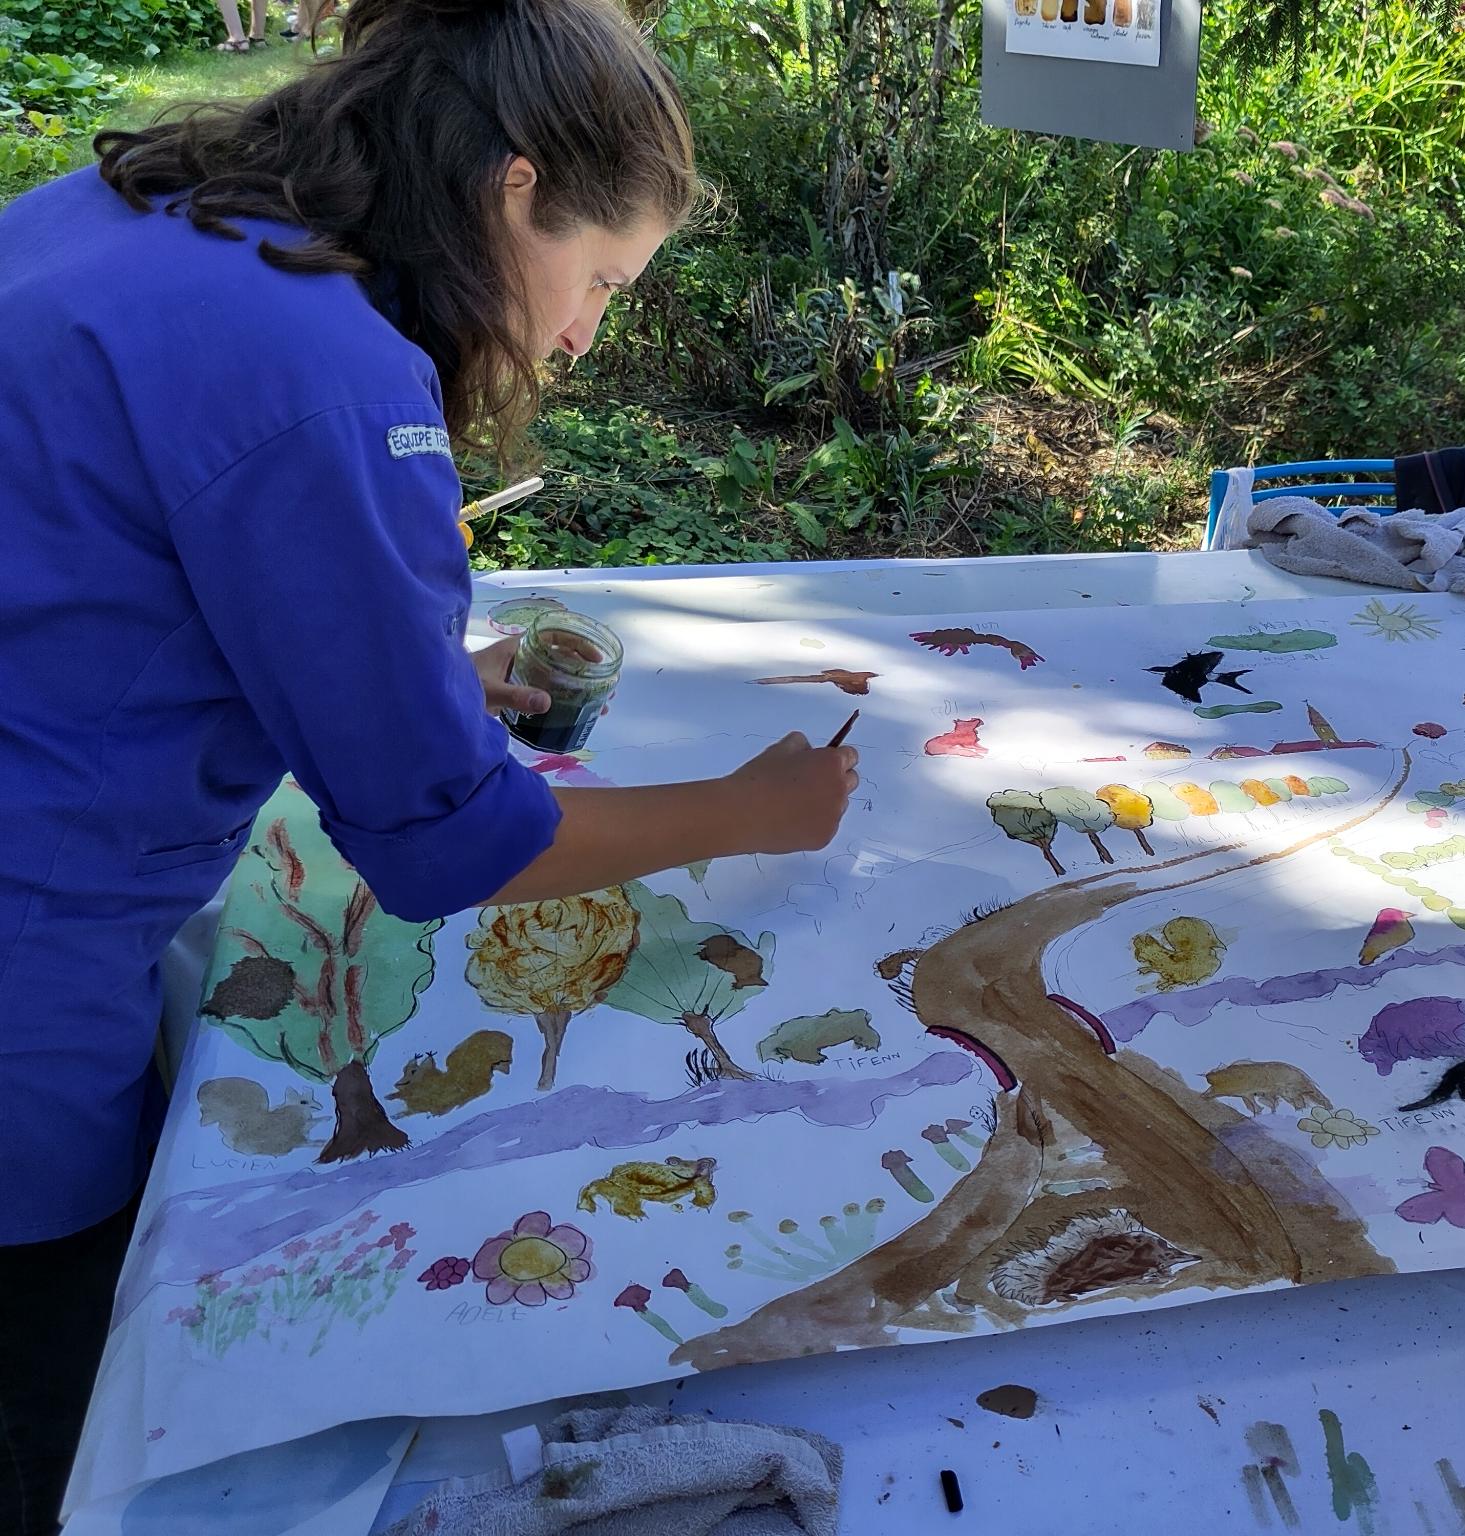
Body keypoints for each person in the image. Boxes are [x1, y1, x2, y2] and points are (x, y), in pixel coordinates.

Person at [0, 1, 856, 1528]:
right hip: (24, 959)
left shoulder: (158, 212)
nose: (585, 337)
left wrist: (402, 674)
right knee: (52, 1387)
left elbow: (120, 556)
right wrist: (752, 809)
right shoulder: (333, 379)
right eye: (602, 281)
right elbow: (449, 844)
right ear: (515, 190)